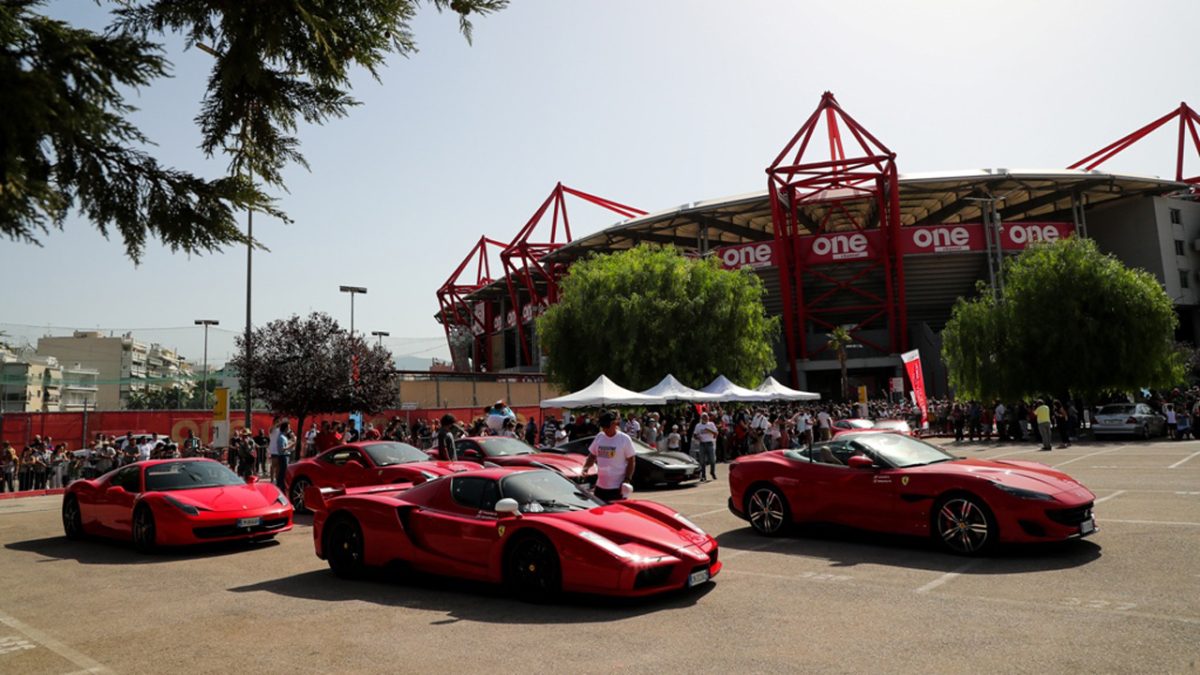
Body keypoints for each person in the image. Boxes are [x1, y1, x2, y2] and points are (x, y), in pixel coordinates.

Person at [581, 411, 636, 501]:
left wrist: (627, 479)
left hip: (617, 488)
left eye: (607, 427)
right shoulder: (600, 437)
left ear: (614, 424)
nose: (605, 430)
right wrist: (586, 467)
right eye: (603, 427)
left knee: (616, 514)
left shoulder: (624, 439)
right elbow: (592, 455)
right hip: (600, 487)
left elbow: (631, 460)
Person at [270, 421, 295, 491]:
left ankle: (281, 487)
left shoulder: (284, 437)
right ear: (285, 428)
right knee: (282, 473)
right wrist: (292, 445)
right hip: (283, 457)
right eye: (288, 427)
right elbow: (282, 449)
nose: (289, 429)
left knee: (283, 473)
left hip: (285, 456)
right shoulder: (281, 437)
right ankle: (280, 488)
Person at [694, 412, 719, 482]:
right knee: (702, 461)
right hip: (702, 444)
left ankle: (712, 472)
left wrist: (709, 430)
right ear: (701, 418)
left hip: (710, 443)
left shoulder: (711, 424)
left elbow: (716, 433)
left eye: (706, 417)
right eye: (704, 417)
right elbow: (695, 434)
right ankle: (703, 475)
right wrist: (698, 438)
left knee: (712, 460)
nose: (705, 418)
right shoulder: (698, 425)